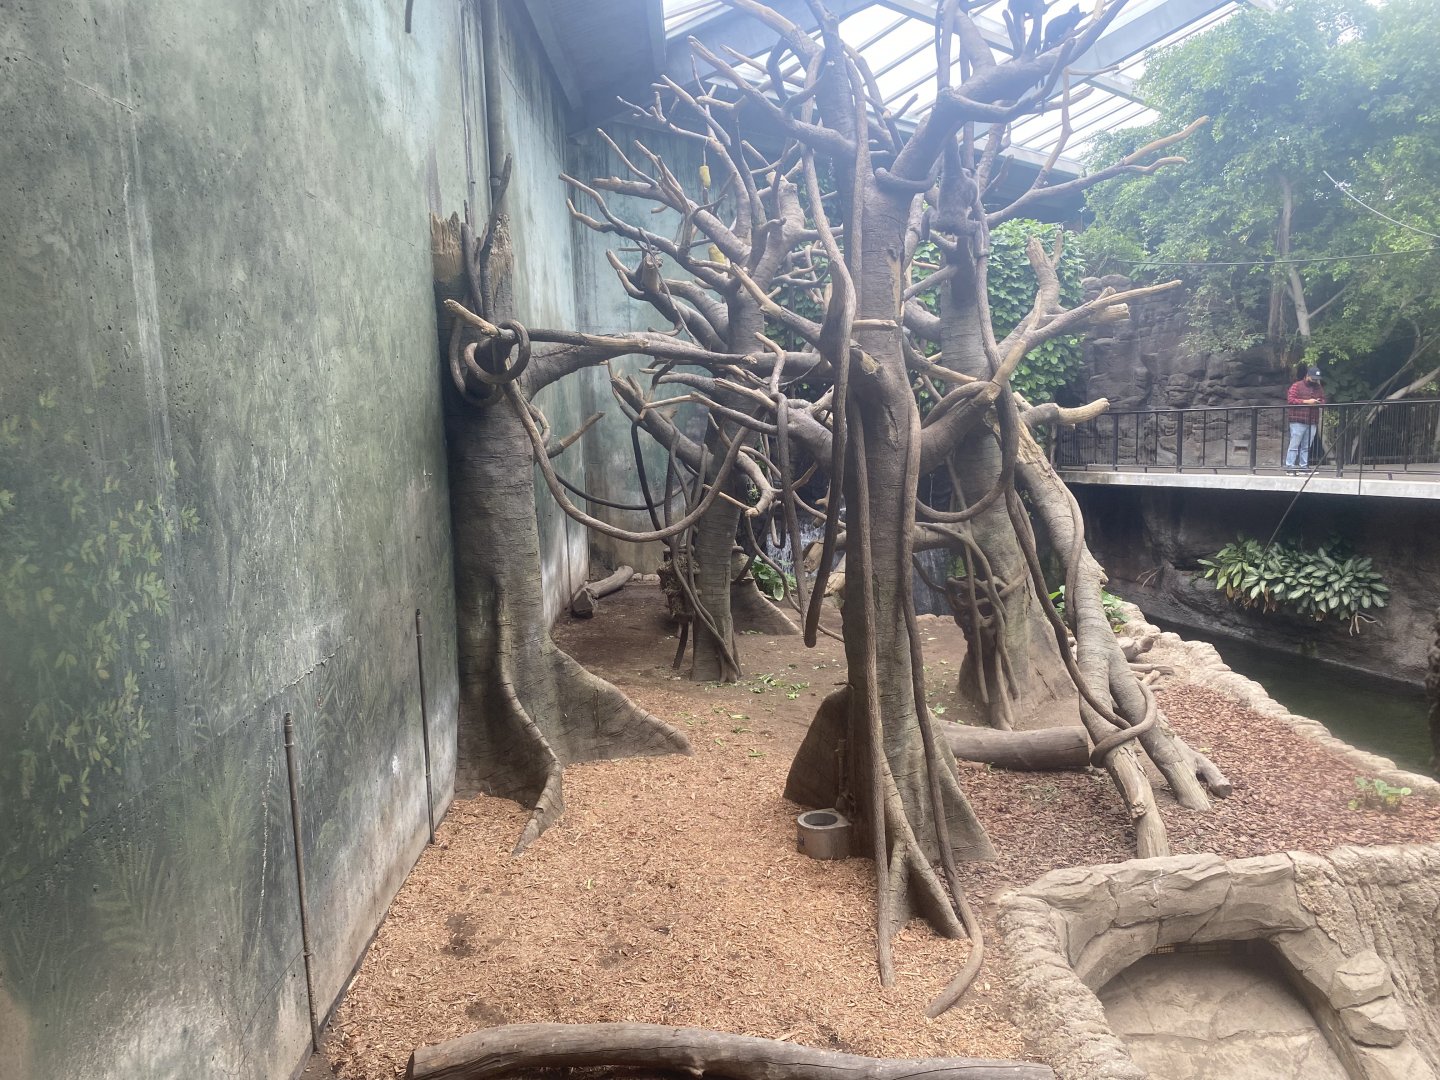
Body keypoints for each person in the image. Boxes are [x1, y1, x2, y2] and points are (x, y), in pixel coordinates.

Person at [1285, 366, 1325, 473]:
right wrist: (1307, 402)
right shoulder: (1296, 386)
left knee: (1307, 446)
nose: (1315, 380)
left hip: (1312, 420)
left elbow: (1323, 400)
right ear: (1307, 376)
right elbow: (1291, 400)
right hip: (1298, 420)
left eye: (1316, 378)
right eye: (1313, 378)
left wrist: (1318, 402)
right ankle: (1290, 466)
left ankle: (1304, 467)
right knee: (1294, 444)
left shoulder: (1318, 387)